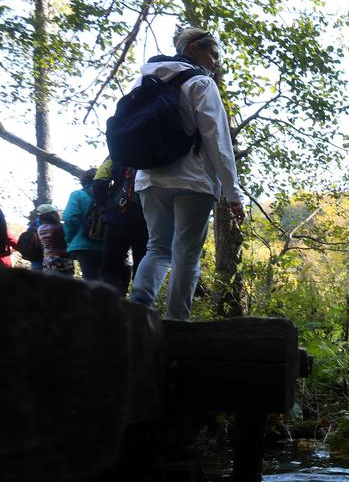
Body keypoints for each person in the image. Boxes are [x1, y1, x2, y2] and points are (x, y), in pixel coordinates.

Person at [128, 26, 245, 320]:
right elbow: (217, 140)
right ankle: (177, 322)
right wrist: (232, 193)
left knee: (157, 248)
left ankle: (136, 311)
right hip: (194, 181)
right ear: (194, 49)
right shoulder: (201, 84)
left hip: (151, 177)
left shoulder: (145, 78)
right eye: (213, 54)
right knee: (186, 255)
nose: (216, 61)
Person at [93, 157, 150, 295]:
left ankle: (112, 304)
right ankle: (141, 305)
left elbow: (100, 179)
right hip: (149, 218)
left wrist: (104, 204)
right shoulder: (156, 148)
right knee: (144, 265)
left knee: (111, 267)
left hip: (117, 216)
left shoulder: (117, 150)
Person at [63, 169, 103, 281]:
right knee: (109, 279)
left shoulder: (78, 195)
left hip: (84, 245)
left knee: (91, 280)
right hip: (108, 245)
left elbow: (70, 218)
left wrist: (70, 238)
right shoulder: (111, 195)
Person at [34, 203, 74, 276]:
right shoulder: (59, 228)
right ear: (52, 215)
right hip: (62, 260)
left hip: (48, 260)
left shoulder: (40, 228)